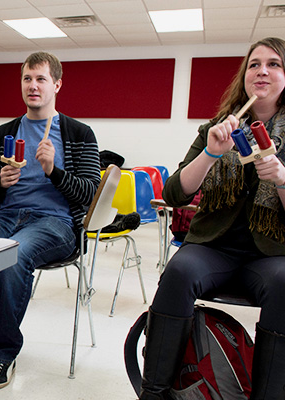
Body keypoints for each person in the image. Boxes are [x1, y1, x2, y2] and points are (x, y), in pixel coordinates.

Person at [140, 37, 285, 400]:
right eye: (254, 64)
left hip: (271, 255)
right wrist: (209, 153)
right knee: (179, 271)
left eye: (274, 64)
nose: (262, 71)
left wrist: (281, 179)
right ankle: (153, 392)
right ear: (244, 75)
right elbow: (174, 193)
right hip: (213, 247)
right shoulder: (217, 128)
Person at [0, 51, 100, 395]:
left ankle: (2, 353)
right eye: (27, 79)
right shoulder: (2, 133)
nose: (32, 86)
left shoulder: (79, 133)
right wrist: (0, 184)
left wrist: (54, 171)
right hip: (6, 216)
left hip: (56, 223)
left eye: (40, 79)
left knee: (13, 256)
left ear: (57, 85)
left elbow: (88, 194)